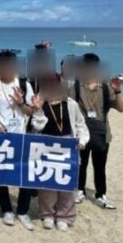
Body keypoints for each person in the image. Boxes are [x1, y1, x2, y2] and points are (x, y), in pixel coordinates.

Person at [29, 72, 89, 231]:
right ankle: (47, 214)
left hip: (67, 147)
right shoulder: (40, 102)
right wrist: (38, 110)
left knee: (66, 184)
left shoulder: (70, 103)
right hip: (47, 146)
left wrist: (82, 141)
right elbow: (38, 126)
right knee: (47, 183)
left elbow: (80, 125)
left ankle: (65, 216)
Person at [0, 50, 36, 230]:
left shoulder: (24, 84)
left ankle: (22, 211)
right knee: (2, 174)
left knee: (25, 173)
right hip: (0, 136)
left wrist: (21, 102)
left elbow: (31, 111)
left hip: (20, 135)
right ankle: (6, 209)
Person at [69, 53, 123, 209]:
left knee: (100, 167)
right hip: (81, 134)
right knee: (81, 164)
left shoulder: (106, 87)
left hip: (102, 134)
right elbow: (66, 107)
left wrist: (118, 91)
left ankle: (101, 194)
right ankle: (79, 190)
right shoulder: (75, 87)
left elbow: (121, 108)